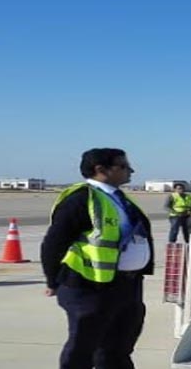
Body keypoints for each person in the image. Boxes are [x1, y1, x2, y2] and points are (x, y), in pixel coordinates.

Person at [40, 148, 153, 369]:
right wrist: (52, 281)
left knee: (118, 348)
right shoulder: (81, 199)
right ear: (101, 169)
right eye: (123, 166)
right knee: (82, 349)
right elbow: (54, 243)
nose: (131, 170)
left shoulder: (119, 199)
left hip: (126, 286)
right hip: (90, 287)